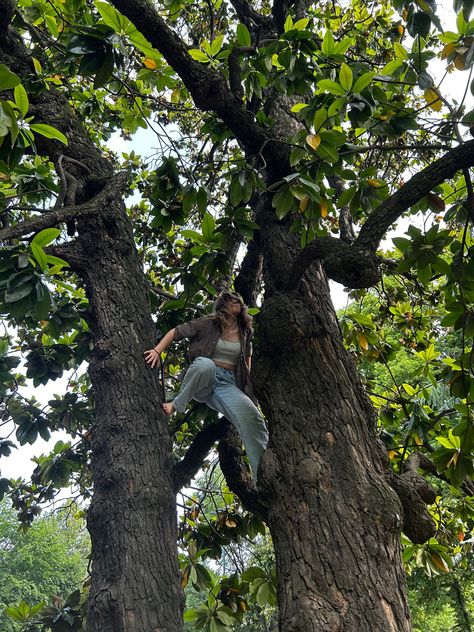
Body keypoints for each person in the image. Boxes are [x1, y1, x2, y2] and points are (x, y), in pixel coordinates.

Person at [144, 291, 268, 479]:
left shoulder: (245, 331)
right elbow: (176, 332)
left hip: (228, 384)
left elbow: (247, 358)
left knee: (253, 418)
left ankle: (264, 476)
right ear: (223, 305)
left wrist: (247, 386)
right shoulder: (209, 323)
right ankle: (176, 404)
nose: (236, 302)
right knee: (205, 364)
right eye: (231, 300)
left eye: (238, 301)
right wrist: (156, 350)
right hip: (204, 378)